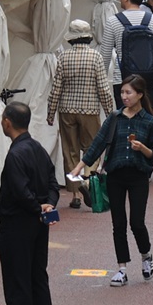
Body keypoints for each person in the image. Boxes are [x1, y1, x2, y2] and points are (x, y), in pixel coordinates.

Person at [80, 75, 153, 283]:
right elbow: (98, 142)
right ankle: (122, 268)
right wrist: (80, 166)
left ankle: (146, 255)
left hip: (138, 176)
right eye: (122, 92)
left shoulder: (150, 122)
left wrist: (142, 148)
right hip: (115, 175)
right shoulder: (115, 118)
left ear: (140, 95)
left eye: (128, 92)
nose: (123, 96)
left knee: (136, 222)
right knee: (118, 223)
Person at [0, 102, 58, 305]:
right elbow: (53, 181)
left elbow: (20, 192)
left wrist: (35, 206)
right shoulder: (39, 149)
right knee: (37, 274)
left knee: (17, 276)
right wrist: (48, 205)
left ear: (8, 122)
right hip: (39, 222)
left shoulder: (15, 155)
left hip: (17, 222)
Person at [48, 19, 113, 209]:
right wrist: (110, 111)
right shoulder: (96, 57)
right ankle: (86, 180)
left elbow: (56, 88)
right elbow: (103, 87)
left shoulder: (63, 58)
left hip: (66, 110)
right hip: (90, 109)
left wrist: (51, 112)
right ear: (87, 37)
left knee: (70, 151)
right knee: (93, 148)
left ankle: (75, 194)